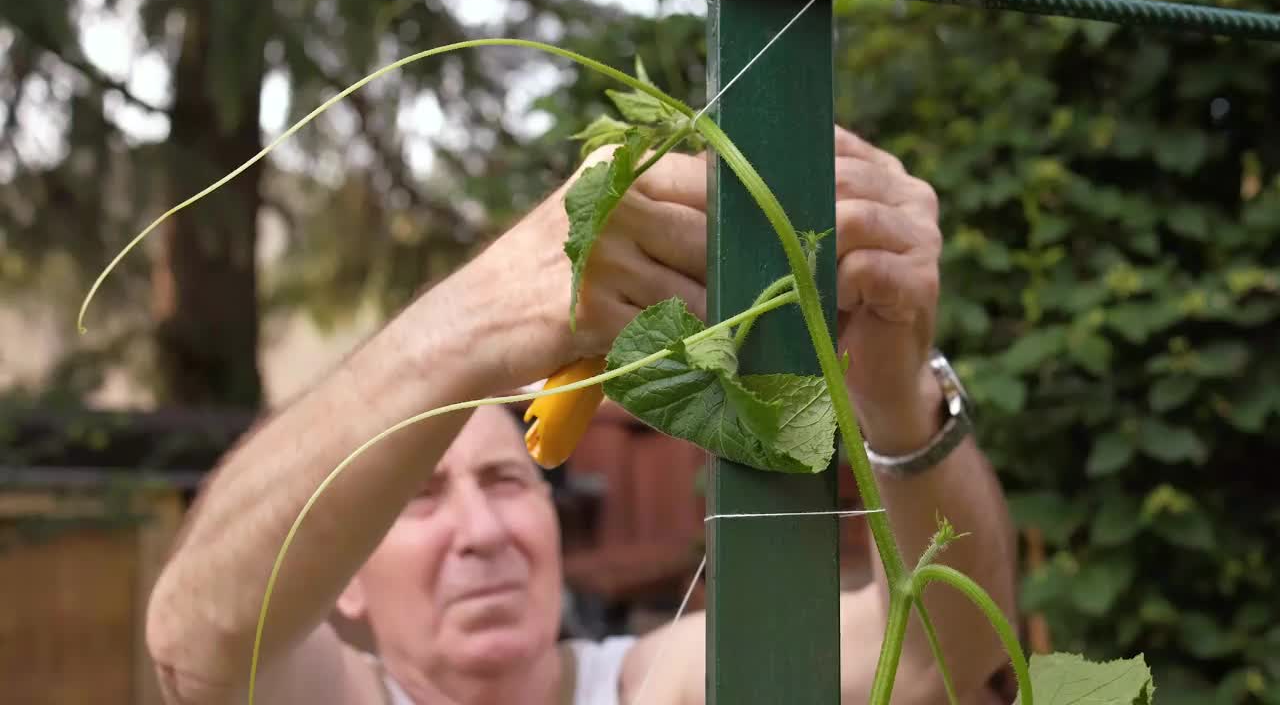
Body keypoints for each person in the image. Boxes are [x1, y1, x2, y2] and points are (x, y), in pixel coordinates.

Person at [145, 126, 1018, 705]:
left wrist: (899, 395)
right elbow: (195, 643)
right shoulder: (338, 692)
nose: (482, 530)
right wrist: (484, 314)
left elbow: (949, 654)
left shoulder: (645, 686)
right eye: (422, 498)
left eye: (505, 479)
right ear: (345, 574)